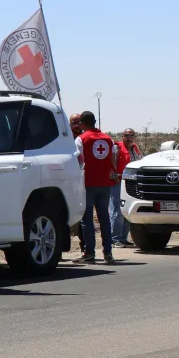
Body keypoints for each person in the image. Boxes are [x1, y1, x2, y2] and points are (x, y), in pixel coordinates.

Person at [74, 111, 116, 264]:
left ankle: (89, 252)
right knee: (104, 217)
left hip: (88, 183)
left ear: (82, 124)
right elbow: (113, 158)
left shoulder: (81, 139)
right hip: (105, 183)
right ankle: (108, 252)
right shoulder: (108, 138)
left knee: (87, 219)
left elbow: (78, 160)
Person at [111, 128, 141, 247]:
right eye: (127, 135)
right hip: (118, 181)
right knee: (117, 210)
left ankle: (123, 238)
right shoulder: (117, 147)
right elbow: (111, 160)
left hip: (130, 183)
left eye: (132, 135)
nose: (129, 138)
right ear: (122, 136)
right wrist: (114, 174)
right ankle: (115, 238)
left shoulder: (134, 149)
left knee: (127, 210)